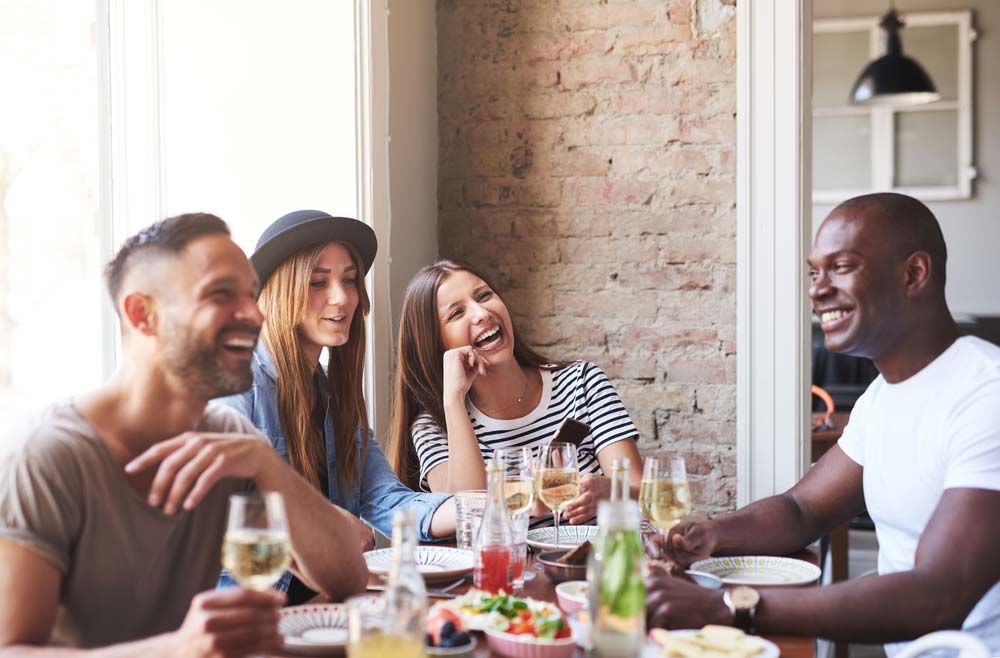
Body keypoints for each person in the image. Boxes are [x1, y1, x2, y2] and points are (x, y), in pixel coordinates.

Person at [645, 193, 1000, 653]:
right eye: (814, 273)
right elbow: (803, 509)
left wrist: (728, 606)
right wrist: (713, 533)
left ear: (914, 273)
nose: (817, 290)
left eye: (842, 267)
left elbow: (939, 595)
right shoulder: (883, 397)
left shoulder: (986, 393)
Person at [0, 213, 368, 655]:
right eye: (220, 294)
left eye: (250, 295)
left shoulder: (230, 437)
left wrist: (265, 464)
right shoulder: (45, 457)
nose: (254, 314)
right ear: (143, 314)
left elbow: (347, 578)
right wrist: (178, 648)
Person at [215, 210, 454, 601]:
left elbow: (389, 501)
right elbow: (213, 507)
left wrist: (496, 503)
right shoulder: (236, 383)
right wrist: (322, 521)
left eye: (349, 279)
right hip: (250, 616)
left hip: (325, 609)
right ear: (280, 290)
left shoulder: (334, 395)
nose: (341, 298)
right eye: (318, 282)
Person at [387, 259, 643, 526]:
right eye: (456, 313)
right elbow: (467, 519)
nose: (481, 313)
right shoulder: (434, 426)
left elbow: (643, 494)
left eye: (484, 296)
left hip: (601, 551)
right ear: (435, 343)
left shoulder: (581, 382)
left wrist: (610, 491)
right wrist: (453, 400)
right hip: (507, 555)